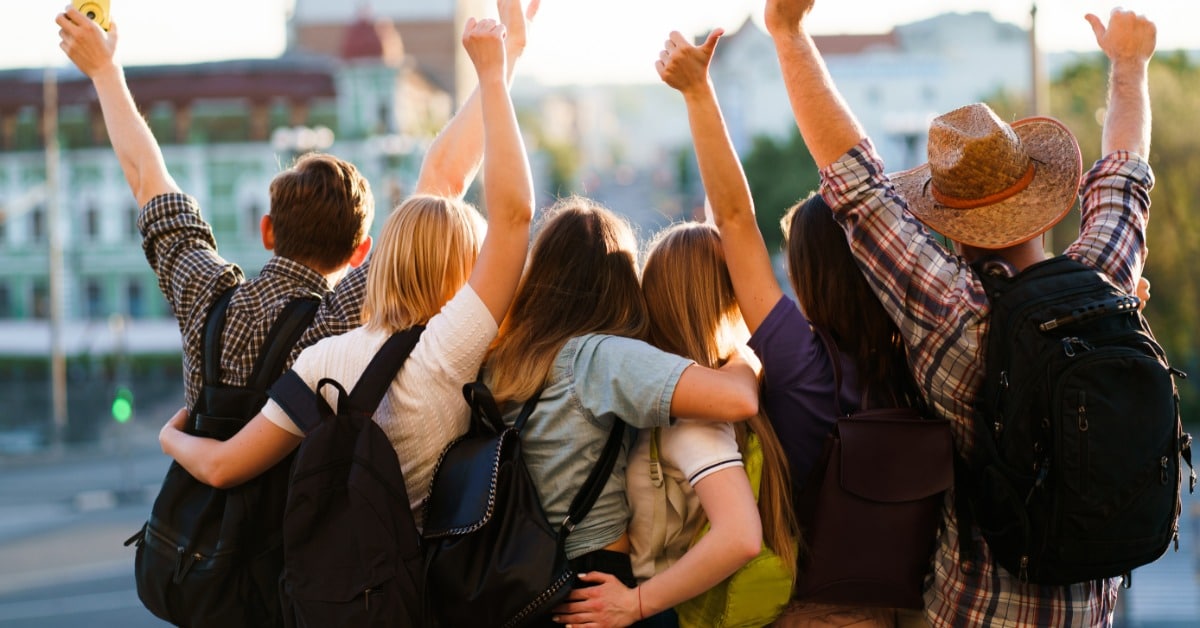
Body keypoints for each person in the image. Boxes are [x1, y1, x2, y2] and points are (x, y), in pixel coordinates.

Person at [764, 0, 1157, 625]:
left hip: (974, 611)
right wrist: (1129, 64)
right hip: (1091, 611)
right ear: (1042, 193)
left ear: (950, 226)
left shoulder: (952, 315)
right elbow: (1125, 176)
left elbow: (857, 186)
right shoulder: (1105, 281)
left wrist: (787, 33)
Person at [158, 11, 534, 539]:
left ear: (383, 255)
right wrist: (499, 72)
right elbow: (503, 208)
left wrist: (172, 439)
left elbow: (222, 467)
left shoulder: (325, 358)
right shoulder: (451, 350)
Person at [55, 0, 540, 408]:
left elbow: (146, 178)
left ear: (268, 230)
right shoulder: (339, 324)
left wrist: (104, 70)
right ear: (360, 252)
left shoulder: (207, 301)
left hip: (199, 522)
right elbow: (443, 181)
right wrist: (506, 60)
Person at [653, 28, 926, 627]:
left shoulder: (804, 369)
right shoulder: (925, 355)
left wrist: (698, 91)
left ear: (807, 274)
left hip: (811, 611)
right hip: (903, 610)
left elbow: (732, 219)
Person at [471, 196, 760, 626]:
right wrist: (746, 354)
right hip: (595, 588)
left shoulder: (499, 360)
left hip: (513, 578)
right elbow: (737, 399)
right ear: (618, 281)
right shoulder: (599, 358)